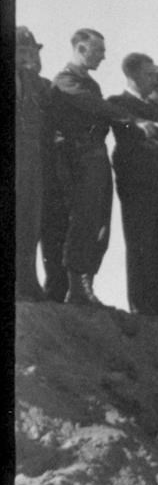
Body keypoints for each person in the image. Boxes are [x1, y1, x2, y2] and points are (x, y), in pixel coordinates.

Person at [48, 26, 140, 306]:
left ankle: (86, 284)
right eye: (98, 50)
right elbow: (95, 107)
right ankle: (76, 286)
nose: (103, 56)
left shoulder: (89, 83)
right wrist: (132, 119)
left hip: (96, 157)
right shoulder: (65, 80)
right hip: (78, 159)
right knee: (84, 220)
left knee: (100, 224)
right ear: (81, 49)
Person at [110, 56, 158, 314]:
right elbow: (124, 123)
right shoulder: (119, 103)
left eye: (155, 74)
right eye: (148, 74)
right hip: (138, 186)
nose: (153, 79)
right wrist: (144, 127)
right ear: (132, 75)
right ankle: (141, 306)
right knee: (141, 243)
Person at [15, 27, 51, 301]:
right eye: (24, 51)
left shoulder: (34, 82)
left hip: (30, 161)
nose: (30, 57)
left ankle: (27, 282)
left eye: (32, 51)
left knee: (30, 223)